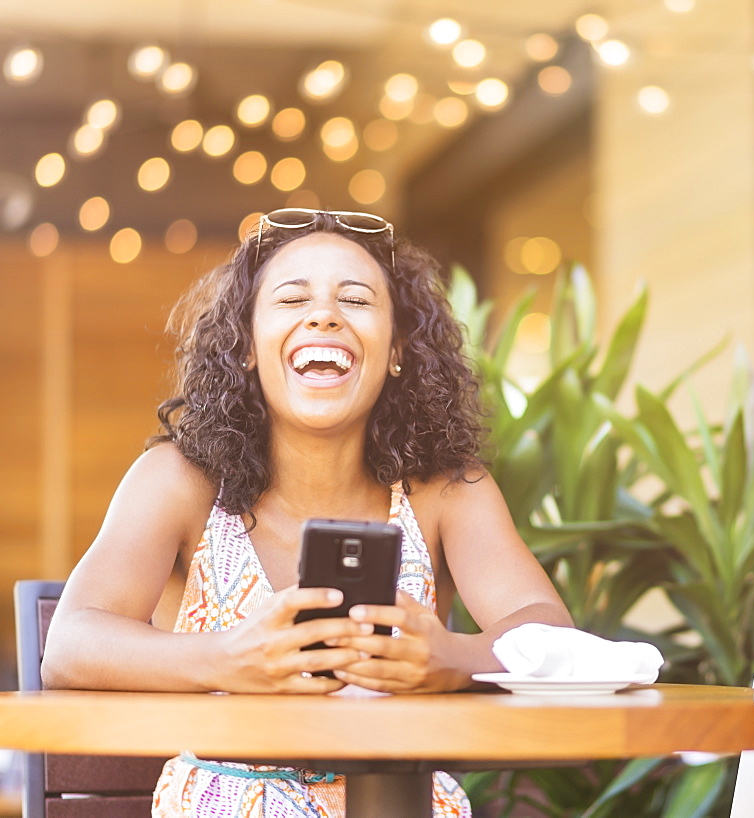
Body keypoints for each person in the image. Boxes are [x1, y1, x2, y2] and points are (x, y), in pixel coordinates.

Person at [41, 208, 574, 817]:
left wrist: (454, 659)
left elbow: (548, 630)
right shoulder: (179, 480)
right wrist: (225, 659)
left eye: (356, 299)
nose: (324, 315)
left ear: (397, 348)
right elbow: (70, 645)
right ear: (246, 346)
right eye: (293, 299)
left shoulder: (447, 491)